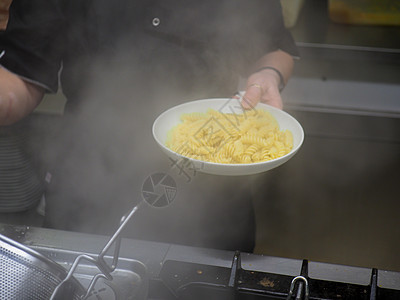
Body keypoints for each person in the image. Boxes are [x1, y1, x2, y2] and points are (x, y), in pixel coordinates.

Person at [0, 0, 298, 252]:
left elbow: (273, 46)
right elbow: (21, 71)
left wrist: (268, 75)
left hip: (213, 189)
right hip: (90, 181)